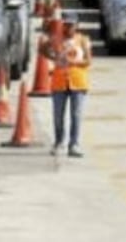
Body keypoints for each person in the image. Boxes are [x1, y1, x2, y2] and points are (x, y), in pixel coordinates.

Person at [41, 12, 91, 157]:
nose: (69, 27)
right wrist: (53, 57)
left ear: (77, 26)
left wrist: (73, 62)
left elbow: (88, 61)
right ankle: (58, 142)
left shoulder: (82, 40)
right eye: (66, 24)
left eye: (72, 25)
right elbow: (43, 48)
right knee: (58, 115)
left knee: (76, 115)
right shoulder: (57, 39)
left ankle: (74, 144)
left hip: (78, 82)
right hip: (59, 82)